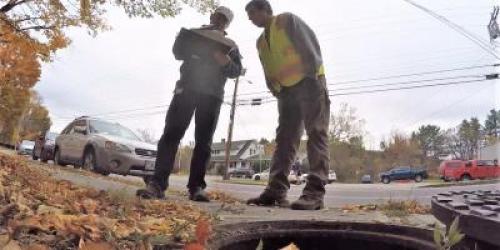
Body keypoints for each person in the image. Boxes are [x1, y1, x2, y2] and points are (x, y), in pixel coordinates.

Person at [136, 6, 243, 202]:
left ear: (227, 24)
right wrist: (188, 43)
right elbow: (177, 52)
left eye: (224, 19)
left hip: (212, 96)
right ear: (211, 16)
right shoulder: (195, 33)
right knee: (171, 135)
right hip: (186, 90)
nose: (219, 20)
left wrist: (225, 62)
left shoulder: (231, 46)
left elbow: (236, 71)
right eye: (218, 16)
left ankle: (196, 188)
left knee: (204, 143)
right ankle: (157, 184)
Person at [245, 0, 330, 210]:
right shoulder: (260, 42)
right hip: (286, 92)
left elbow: (309, 45)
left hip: (309, 82)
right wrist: (275, 89)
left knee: (316, 133)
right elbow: (267, 67)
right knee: (284, 140)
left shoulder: (286, 20)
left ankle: (314, 193)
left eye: (252, 13)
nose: (250, 18)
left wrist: (311, 77)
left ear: (266, 10)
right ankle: (275, 190)